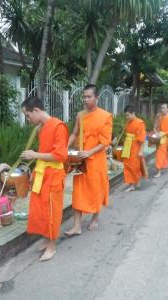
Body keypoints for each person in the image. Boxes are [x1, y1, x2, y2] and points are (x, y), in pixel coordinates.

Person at [20, 96, 69, 261]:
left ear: (36, 110)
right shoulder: (42, 127)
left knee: (52, 211)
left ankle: (52, 246)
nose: (28, 119)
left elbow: (60, 155)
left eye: (28, 115)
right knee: (41, 210)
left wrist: (34, 155)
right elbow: (46, 152)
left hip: (53, 175)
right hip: (42, 173)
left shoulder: (58, 126)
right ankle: (47, 240)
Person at [65, 84, 113, 236]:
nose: (86, 100)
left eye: (89, 97)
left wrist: (89, 152)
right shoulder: (80, 115)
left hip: (96, 160)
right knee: (78, 192)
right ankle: (77, 225)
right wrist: (65, 147)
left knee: (95, 189)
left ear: (96, 98)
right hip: (81, 160)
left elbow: (105, 141)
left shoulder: (105, 116)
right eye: (84, 97)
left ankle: (95, 217)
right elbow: (74, 133)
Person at [121, 105, 147, 192]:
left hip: (135, 146)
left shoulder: (140, 123)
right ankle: (134, 183)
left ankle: (133, 184)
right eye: (126, 115)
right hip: (128, 146)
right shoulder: (128, 122)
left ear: (133, 113)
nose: (126, 117)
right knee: (128, 165)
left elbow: (142, 139)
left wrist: (141, 151)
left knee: (133, 166)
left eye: (128, 115)